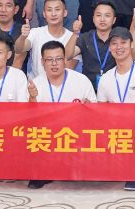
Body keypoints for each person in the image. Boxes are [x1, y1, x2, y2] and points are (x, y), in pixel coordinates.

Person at [26, 41, 97, 189]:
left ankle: (74, 167)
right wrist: (32, 98)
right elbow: (29, 118)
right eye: (49, 59)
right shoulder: (35, 84)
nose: (54, 63)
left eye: (58, 59)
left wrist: (88, 106)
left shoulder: (81, 81)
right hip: (47, 135)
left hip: (74, 133)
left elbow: (95, 112)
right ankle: (42, 173)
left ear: (65, 60)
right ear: (42, 62)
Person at [93, 26, 135, 191]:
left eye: (123, 42)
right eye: (114, 43)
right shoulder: (106, 78)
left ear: (131, 44)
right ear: (110, 48)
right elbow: (101, 111)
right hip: (116, 130)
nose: (119, 47)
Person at [18, 0, 75, 78]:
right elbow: (19, 49)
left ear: (65, 13)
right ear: (44, 14)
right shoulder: (35, 32)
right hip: (36, 83)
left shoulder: (72, 37)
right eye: (49, 10)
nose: (53, 14)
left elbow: (70, 69)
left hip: (61, 83)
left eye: (57, 9)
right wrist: (23, 37)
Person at [72, 0, 120, 85]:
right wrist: (75, 33)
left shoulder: (119, 39)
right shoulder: (85, 37)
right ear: (93, 19)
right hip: (88, 87)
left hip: (114, 87)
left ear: (114, 20)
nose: (102, 19)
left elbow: (134, 56)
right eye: (98, 15)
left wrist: (133, 28)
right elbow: (68, 55)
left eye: (107, 15)